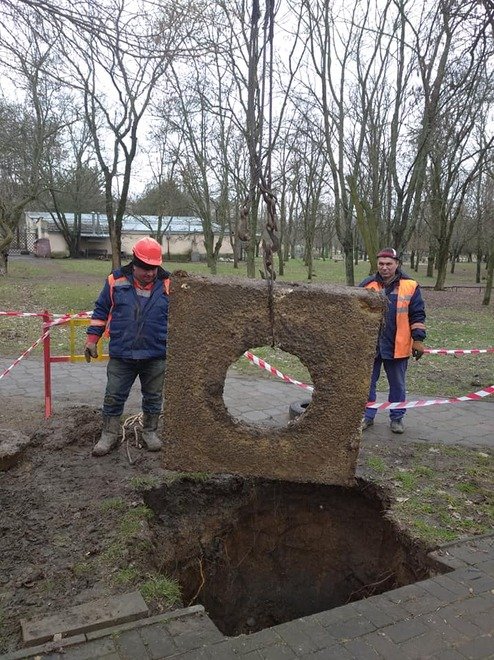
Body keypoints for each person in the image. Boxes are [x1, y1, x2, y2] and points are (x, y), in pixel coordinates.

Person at [84, 237, 170, 456]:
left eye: (154, 268)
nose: (150, 273)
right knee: (113, 395)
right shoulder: (115, 280)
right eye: (145, 268)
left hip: (155, 353)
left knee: (153, 397)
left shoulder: (169, 284)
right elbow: (101, 310)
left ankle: (150, 432)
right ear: (134, 262)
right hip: (122, 354)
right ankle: (109, 435)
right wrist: (92, 339)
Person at [359, 247, 426, 434]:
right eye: (381, 264)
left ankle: (397, 418)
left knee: (397, 385)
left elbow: (417, 315)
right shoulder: (367, 284)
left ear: (397, 264)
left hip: (398, 345)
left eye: (389, 264)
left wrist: (418, 340)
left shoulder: (410, 285)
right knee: (367, 383)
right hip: (371, 346)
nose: (385, 268)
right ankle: (367, 416)